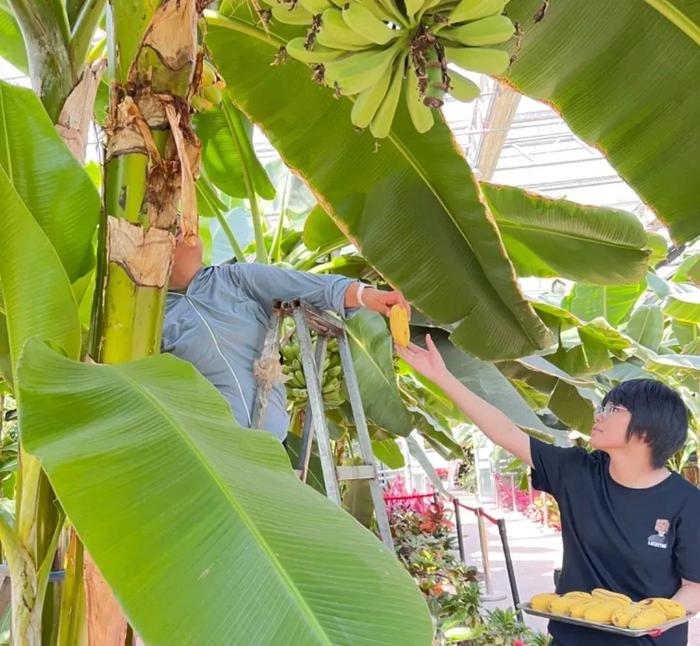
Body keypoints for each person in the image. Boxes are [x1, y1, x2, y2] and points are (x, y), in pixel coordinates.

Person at [398, 333, 700, 646]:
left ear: (647, 430)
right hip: (572, 639)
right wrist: (441, 376)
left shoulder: (687, 503)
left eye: (613, 410)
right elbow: (506, 433)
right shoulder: (577, 472)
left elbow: (695, 587)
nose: (599, 415)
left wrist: (656, 621)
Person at [162, 236, 409, 442]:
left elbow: (312, 287)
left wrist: (367, 296)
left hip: (268, 443)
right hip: (208, 448)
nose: (183, 233)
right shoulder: (152, 318)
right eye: (172, 229)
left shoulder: (234, 279)